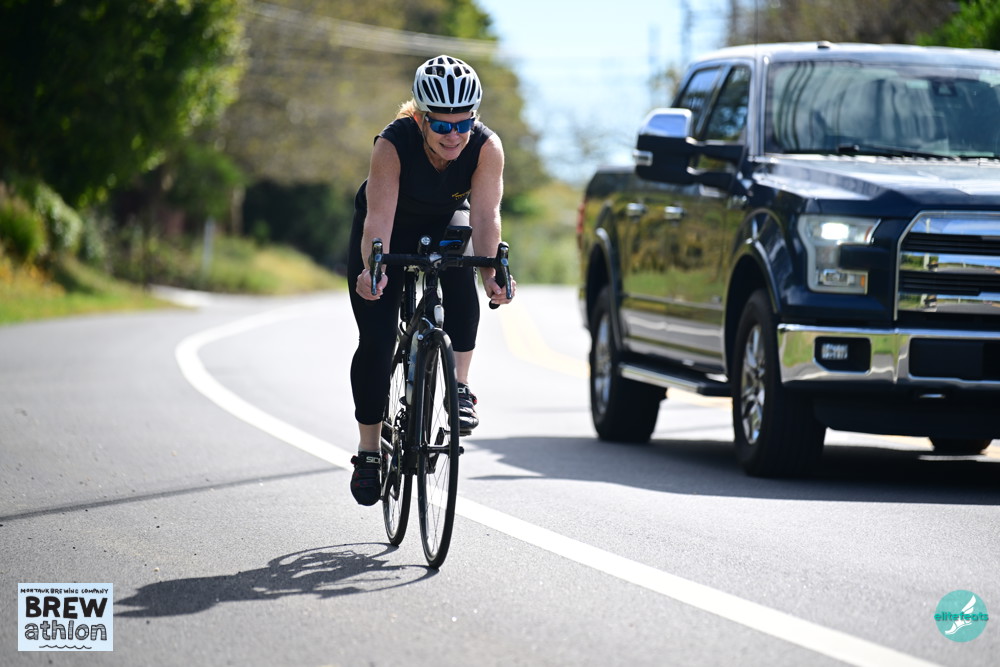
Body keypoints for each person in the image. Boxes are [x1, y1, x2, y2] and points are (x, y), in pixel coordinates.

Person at [347, 54, 515, 506]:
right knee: (377, 338)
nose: (453, 135)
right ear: (422, 119)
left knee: (461, 272)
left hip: (446, 221)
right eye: (441, 125)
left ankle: (459, 386)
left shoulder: (487, 147)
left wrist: (491, 273)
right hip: (389, 226)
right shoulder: (392, 144)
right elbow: (378, 221)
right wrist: (373, 270)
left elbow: (485, 217)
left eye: (463, 123)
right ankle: (369, 451)